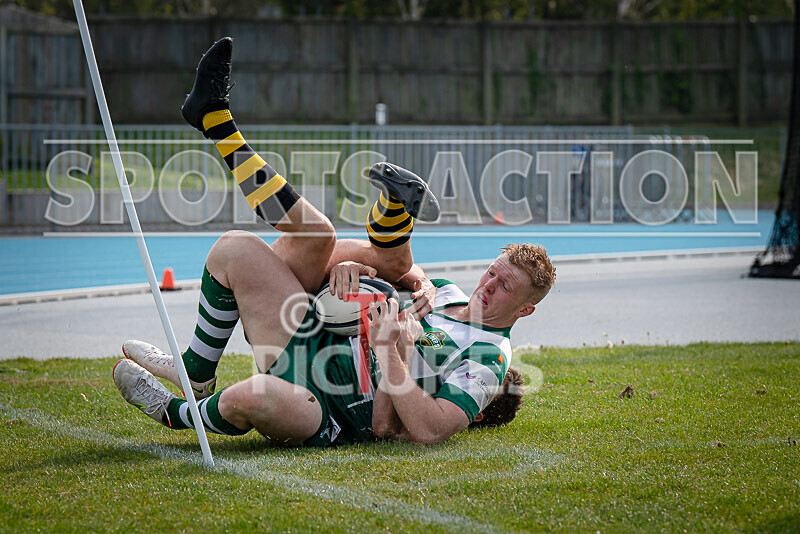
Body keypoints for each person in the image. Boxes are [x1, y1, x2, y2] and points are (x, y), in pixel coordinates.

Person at [113, 37, 556, 446]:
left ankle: (176, 411)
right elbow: (405, 275)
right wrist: (369, 274)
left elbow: (421, 429)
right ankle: (196, 370)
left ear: (525, 310)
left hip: (329, 409)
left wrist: (390, 349)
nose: (488, 285)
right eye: (492, 272)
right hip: (311, 330)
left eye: (504, 287)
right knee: (254, 246)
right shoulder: (449, 294)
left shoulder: (488, 358)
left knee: (250, 395)